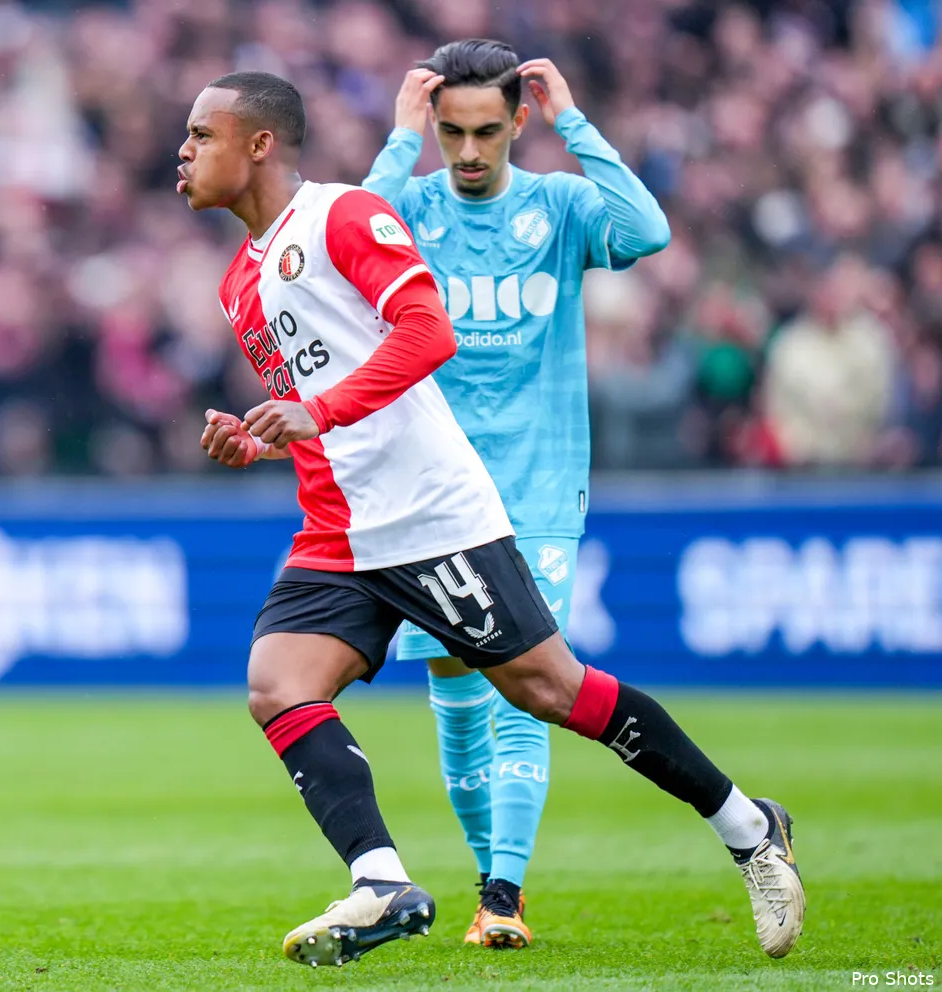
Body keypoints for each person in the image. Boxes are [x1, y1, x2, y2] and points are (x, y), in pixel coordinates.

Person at [179, 70, 803, 966]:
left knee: (549, 691)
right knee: (277, 685)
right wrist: (262, 438)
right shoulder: (240, 280)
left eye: (202, 134)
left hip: (433, 517)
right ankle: (382, 882)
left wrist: (322, 412)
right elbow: (325, 406)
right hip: (338, 530)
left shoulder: (344, 217)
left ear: (260, 144)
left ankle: (749, 826)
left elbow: (427, 333)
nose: (184, 152)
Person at [361, 39, 672, 947]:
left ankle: (502, 897)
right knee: (457, 709)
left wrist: (576, 121)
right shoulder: (411, 204)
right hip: (431, 502)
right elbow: (339, 252)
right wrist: (395, 142)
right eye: (450, 132)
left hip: (536, 494)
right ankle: (493, 889)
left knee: (526, 689)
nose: (465, 152)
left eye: (486, 132)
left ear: (517, 122)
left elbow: (647, 229)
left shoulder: (562, 205)